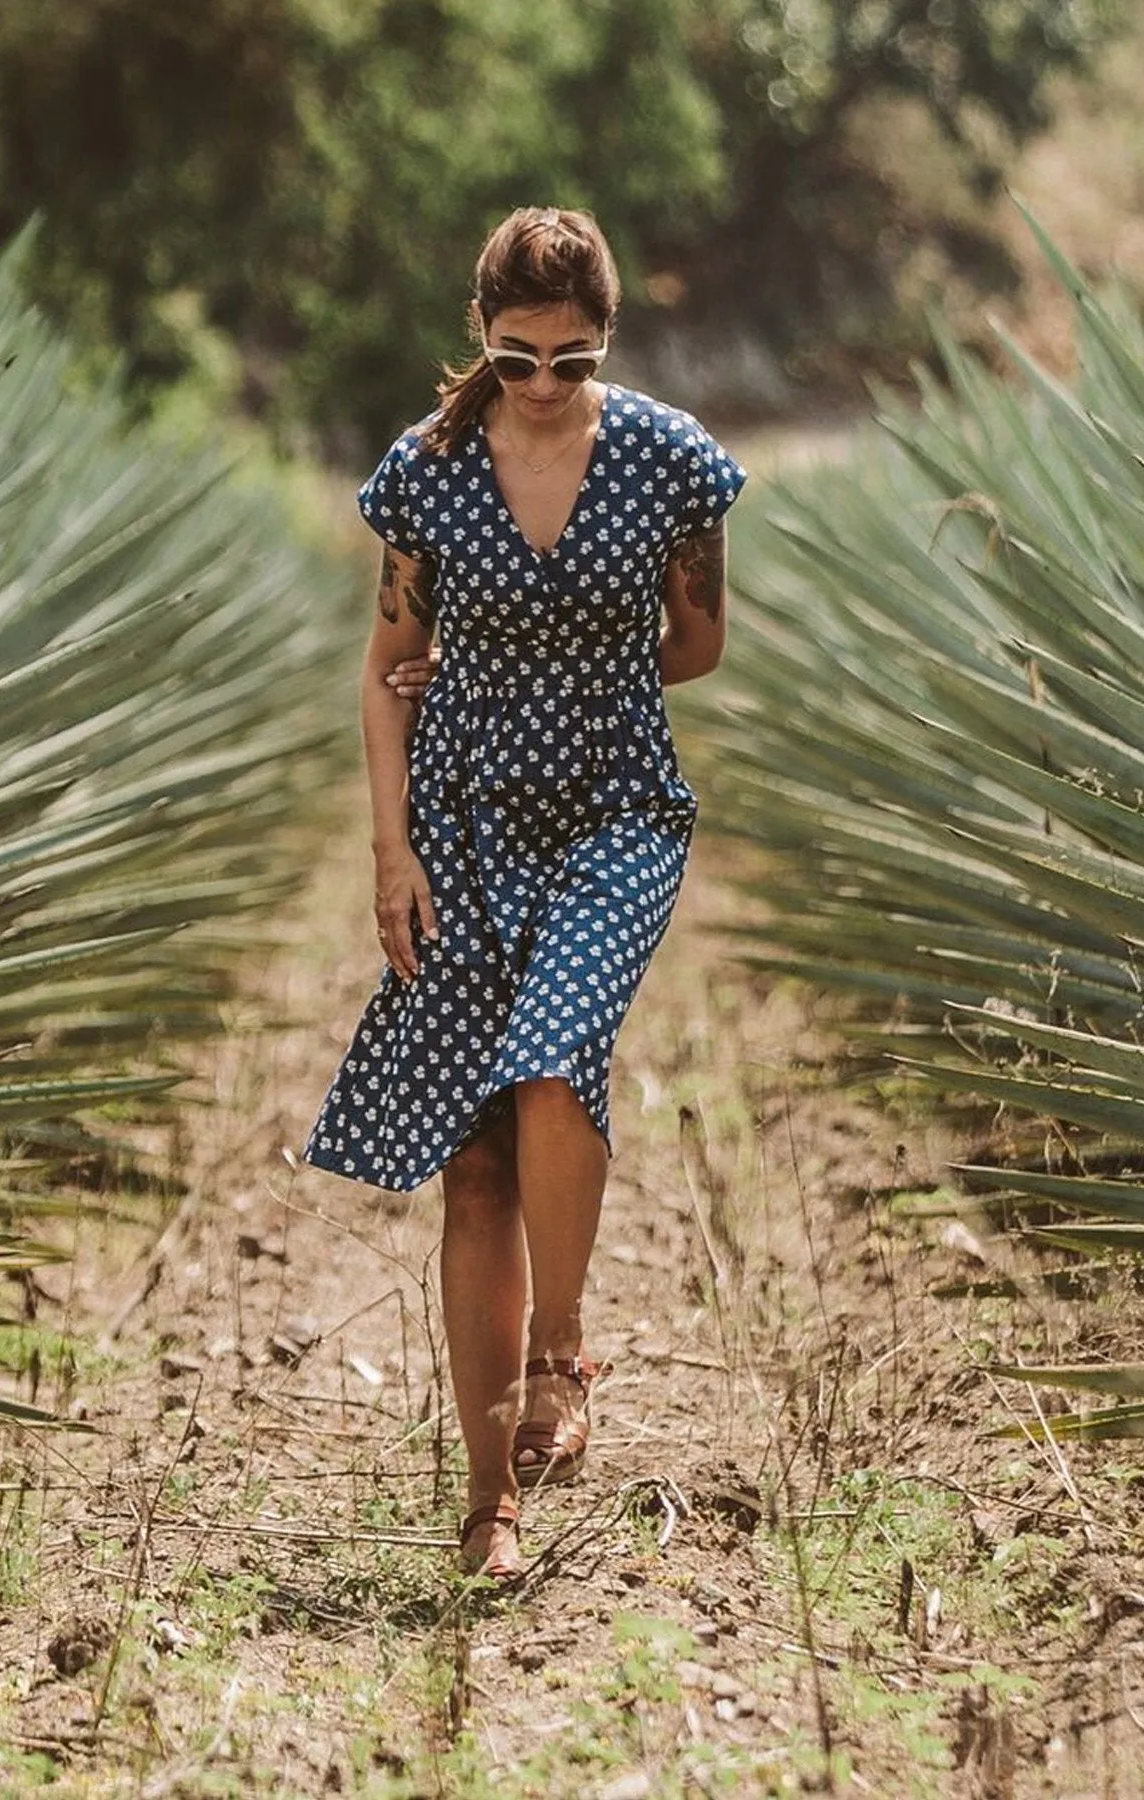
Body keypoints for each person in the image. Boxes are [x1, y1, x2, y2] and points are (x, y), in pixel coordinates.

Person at [303, 205, 744, 1580]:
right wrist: (393, 853)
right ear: (479, 336)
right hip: (462, 822)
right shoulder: (425, 475)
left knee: (558, 1062)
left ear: (607, 337)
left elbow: (698, 643)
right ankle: (487, 1503)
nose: (544, 383)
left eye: (571, 356)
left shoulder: (671, 463)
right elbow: (385, 671)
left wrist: (554, 677)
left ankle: (564, 1351)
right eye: (518, 355)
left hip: (619, 806)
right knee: (475, 1157)